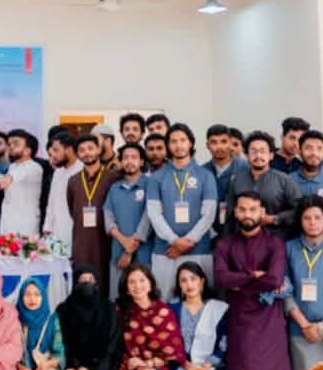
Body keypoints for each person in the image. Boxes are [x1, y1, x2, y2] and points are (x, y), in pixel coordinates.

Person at [212, 191, 290, 370]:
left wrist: (238, 283)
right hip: (239, 320)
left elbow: (274, 279)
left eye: (253, 209)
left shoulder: (275, 244)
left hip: (269, 320)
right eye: (243, 209)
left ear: (262, 212)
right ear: (235, 212)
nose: (247, 214)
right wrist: (253, 276)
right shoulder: (225, 245)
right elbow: (221, 278)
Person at [147, 124, 219, 301]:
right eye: (173, 141)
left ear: (190, 143)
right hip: (165, 250)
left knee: (200, 299)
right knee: (163, 300)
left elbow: (209, 214)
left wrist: (189, 241)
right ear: (168, 145)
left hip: (198, 249)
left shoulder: (205, 175)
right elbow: (154, 214)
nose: (178, 145)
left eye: (182, 140)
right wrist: (174, 241)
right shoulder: (157, 177)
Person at [284, 196, 323, 370]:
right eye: (307, 218)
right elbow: (284, 289)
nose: (312, 223)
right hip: (299, 330)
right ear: (300, 221)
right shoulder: (289, 248)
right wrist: (304, 325)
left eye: (317, 217)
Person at [115, 263, 186, 370]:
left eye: (142, 280)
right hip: (130, 368)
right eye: (132, 282)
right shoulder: (120, 313)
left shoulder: (164, 312)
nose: (137, 286)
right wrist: (138, 367)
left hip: (158, 368)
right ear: (126, 289)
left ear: (150, 284)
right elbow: (116, 348)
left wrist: (148, 365)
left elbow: (175, 351)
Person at [221, 131, 302, 237]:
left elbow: (299, 209)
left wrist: (274, 219)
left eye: (263, 151)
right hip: (242, 240)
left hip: (275, 239)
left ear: (271, 155)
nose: (258, 155)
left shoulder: (284, 180)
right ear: (246, 155)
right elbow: (229, 214)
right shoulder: (237, 180)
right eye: (253, 151)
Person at [102, 143, 152, 297]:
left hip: (143, 253)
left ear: (142, 161)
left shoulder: (150, 184)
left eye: (134, 157)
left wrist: (129, 250)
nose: (129, 161)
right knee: (118, 297)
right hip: (118, 252)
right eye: (125, 158)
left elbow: (149, 218)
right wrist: (123, 241)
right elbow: (108, 217)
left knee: (143, 297)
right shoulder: (115, 188)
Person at [56, 265, 119, 370]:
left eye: (90, 280)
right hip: (75, 368)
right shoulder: (64, 309)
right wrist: (78, 367)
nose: (87, 284)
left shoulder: (109, 308)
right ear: (75, 283)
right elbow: (64, 343)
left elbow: (113, 343)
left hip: (105, 369)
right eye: (83, 280)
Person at [173, 261, 227, 370]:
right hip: (180, 368)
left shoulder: (216, 309)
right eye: (183, 280)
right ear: (179, 285)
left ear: (201, 281)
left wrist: (209, 364)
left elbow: (222, 344)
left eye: (193, 279)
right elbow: (168, 343)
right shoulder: (173, 308)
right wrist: (185, 364)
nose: (189, 284)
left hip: (209, 368)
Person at [15, 279, 63, 370]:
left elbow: (60, 355)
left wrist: (45, 365)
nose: (32, 299)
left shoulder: (52, 320)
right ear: (21, 297)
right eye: (27, 294)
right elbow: (10, 355)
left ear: (43, 297)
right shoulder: (15, 320)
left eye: (37, 294)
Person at [0, 130, 44, 236]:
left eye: (16, 144)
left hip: (25, 226)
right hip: (7, 223)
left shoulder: (34, 167)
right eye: (9, 144)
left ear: (27, 150)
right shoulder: (12, 166)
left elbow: (15, 177)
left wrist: (8, 178)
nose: (11, 147)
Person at [42, 132, 84, 245]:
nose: (53, 155)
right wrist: (47, 227)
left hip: (76, 233)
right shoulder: (58, 172)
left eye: (56, 150)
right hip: (56, 232)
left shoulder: (83, 170)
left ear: (68, 150)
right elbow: (51, 202)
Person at [203, 124, 247, 201]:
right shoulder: (202, 172)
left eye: (224, 142)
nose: (219, 147)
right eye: (214, 142)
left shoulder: (245, 167)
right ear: (207, 145)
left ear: (230, 143)